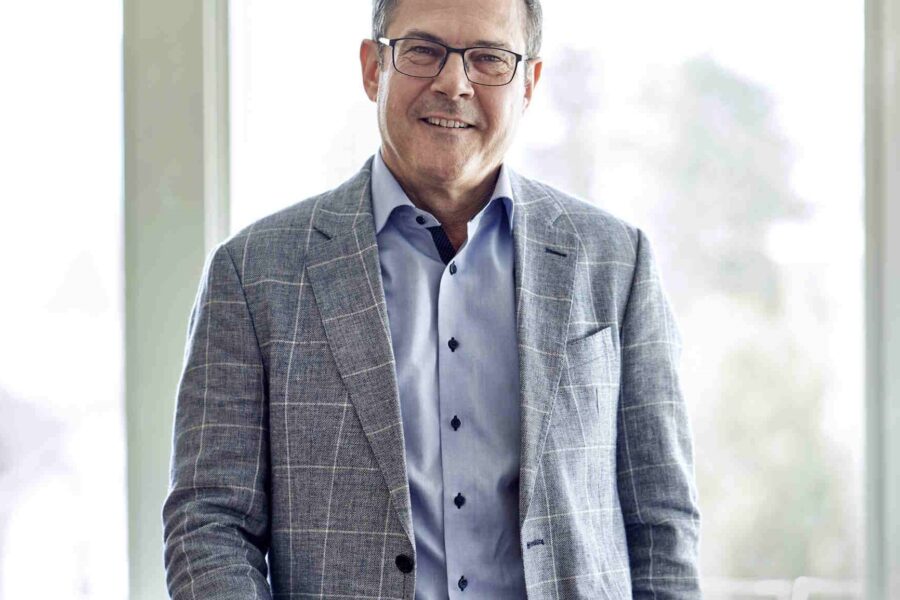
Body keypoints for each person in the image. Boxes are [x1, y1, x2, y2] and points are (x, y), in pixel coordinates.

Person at [162, 0, 702, 597]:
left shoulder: (617, 261)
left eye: (488, 58)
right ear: (373, 68)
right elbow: (209, 523)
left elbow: (662, 521)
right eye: (422, 51)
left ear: (528, 83)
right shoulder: (254, 273)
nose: (454, 83)